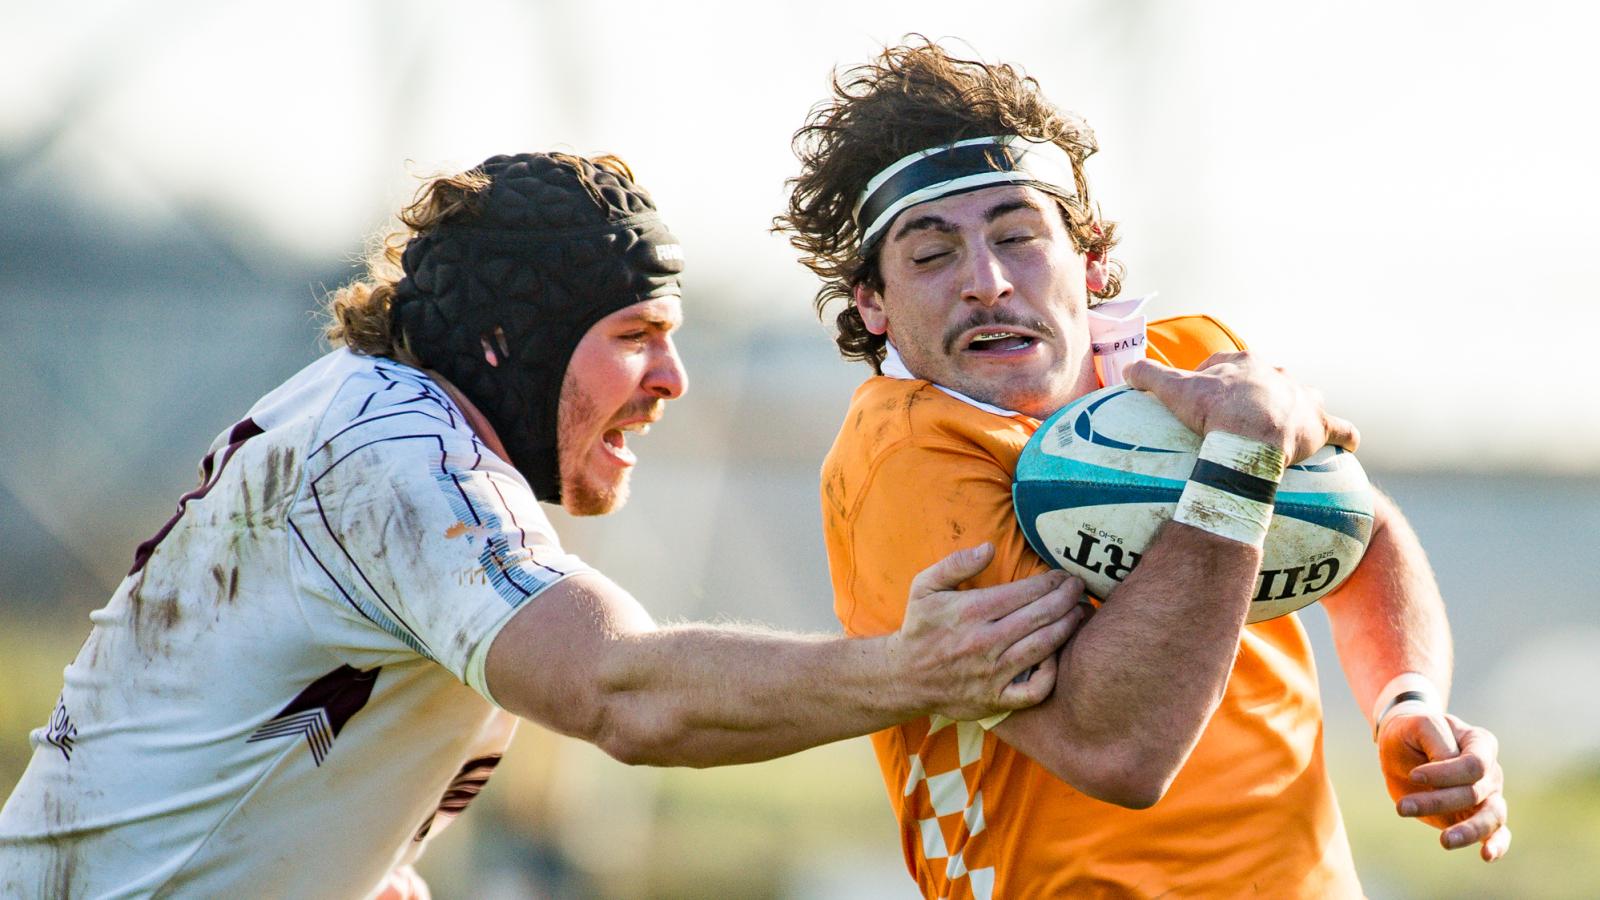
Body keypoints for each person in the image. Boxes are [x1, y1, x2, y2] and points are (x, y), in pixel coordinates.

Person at [0, 152, 1088, 898]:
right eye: (634, 334)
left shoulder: (377, 427)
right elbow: (621, 692)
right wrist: (911, 672)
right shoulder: (397, 457)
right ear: (504, 342)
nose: (672, 379)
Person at [776, 40, 1511, 898]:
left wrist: (1406, 700)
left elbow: (1359, 527)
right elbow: (1116, 750)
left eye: (1018, 238)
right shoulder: (907, 459)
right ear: (873, 303)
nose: (985, 282)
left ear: (1086, 263)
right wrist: (1238, 459)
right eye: (931, 254)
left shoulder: (1196, 363)